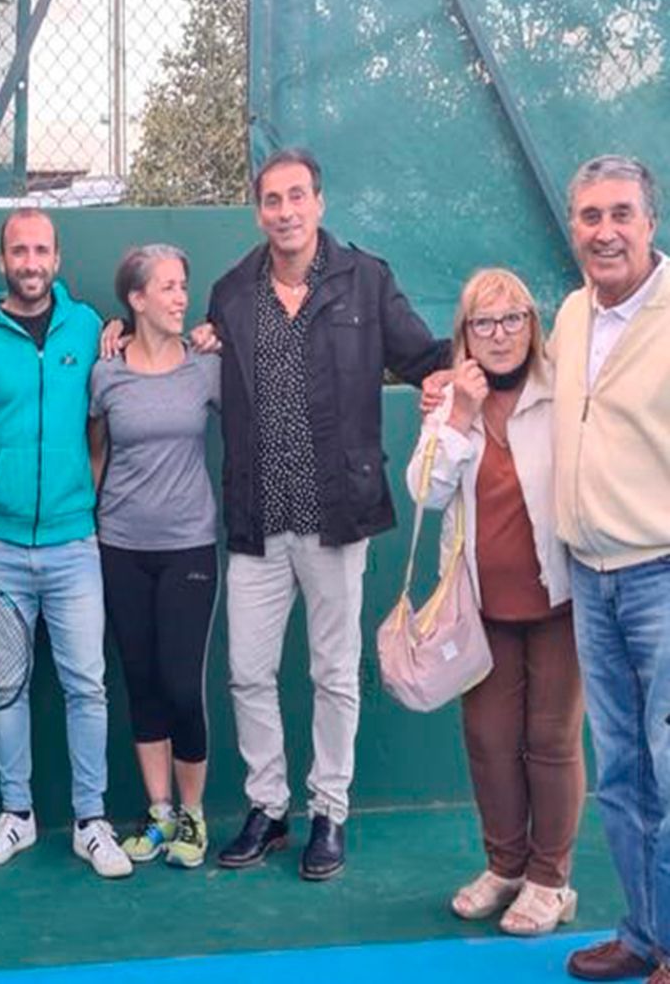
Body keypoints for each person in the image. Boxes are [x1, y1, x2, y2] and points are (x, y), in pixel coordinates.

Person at [133, 148, 451, 880]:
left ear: (319, 203)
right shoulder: (230, 293)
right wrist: (124, 335)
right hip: (256, 521)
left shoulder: (366, 280)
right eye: (272, 200)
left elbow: (423, 353)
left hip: (338, 519)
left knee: (334, 673)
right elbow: (181, 350)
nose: (285, 211)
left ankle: (329, 812)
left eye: (297, 197)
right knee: (248, 673)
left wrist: (461, 369)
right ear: (258, 212)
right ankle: (269, 808)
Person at [0, 209, 131, 879]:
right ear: (1, 259)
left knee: (87, 687)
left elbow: (111, 408)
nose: (31, 261)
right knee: (8, 686)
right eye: (20, 250)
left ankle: (92, 821)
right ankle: (17, 814)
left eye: (41, 249)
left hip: (74, 546)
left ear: (58, 258)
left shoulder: (91, 328)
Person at [404, 268, 580, 936]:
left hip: (561, 602)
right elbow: (424, 492)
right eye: (484, 322)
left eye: (513, 320)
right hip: (481, 610)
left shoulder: (559, 391)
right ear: (465, 335)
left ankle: (549, 879)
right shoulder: (452, 403)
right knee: (488, 740)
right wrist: (458, 419)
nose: (500, 335)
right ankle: (505, 866)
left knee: (551, 740)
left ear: (533, 327)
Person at [549, 156, 670, 984]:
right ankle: (641, 934)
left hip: (662, 575)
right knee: (621, 770)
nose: (605, 231)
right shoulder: (567, 314)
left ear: (651, 221)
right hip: (590, 578)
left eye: (621, 213)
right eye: (590, 215)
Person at [87, 245, 220, 869]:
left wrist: (215, 340)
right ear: (136, 299)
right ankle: (161, 812)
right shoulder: (105, 371)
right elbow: (96, 455)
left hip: (189, 545)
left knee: (180, 684)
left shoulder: (205, 368)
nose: (179, 297)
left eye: (183, 286)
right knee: (140, 682)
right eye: (166, 287)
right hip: (119, 547)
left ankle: (193, 815)